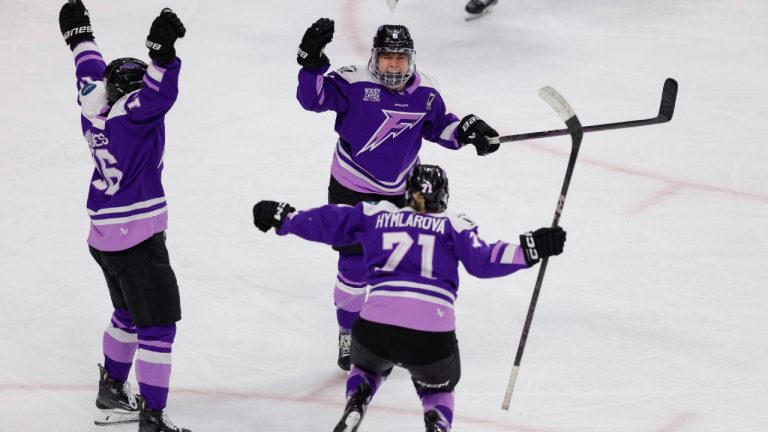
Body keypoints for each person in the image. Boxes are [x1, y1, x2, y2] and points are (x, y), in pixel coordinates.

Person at [252, 164, 567, 432]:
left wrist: (285, 218)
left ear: (406, 193)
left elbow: (330, 221)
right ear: (443, 198)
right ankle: (437, 422)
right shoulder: (454, 224)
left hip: (374, 328)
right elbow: (483, 261)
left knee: (367, 369)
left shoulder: (376, 214)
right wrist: (532, 249)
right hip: (431, 340)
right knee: (437, 386)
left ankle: (358, 400)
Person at [296, 18, 502, 371]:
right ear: (375, 57)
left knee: (402, 266)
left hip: (400, 192)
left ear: (411, 60)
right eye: (388, 57)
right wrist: (312, 62)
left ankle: (395, 332)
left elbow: (440, 127)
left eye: (401, 58)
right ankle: (349, 333)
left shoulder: (427, 92)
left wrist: (469, 129)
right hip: (352, 188)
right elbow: (311, 99)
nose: (394, 65)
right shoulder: (353, 81)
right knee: (355, 266)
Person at [59, 1, 190, 431]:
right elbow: (160, 92)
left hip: (104, 238)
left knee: (128, 315)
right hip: (137, 238)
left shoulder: (93, 106)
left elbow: (89, 67)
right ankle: (152, 417)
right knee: (158, 327)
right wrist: (162, 55)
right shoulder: (135, 118)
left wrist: (80, 35)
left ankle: (112, 391)